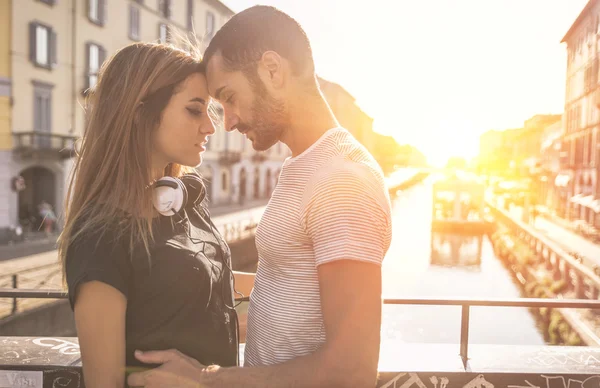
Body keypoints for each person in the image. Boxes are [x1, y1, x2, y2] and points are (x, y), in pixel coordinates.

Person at [128, 5, 393, 388]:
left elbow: (351, 370)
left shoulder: (342, 180)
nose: (229, 121)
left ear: (273, 70)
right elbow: (287, 282)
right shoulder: (307, 164)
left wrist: (205, 380)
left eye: (229, 97)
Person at [58, 41, 254, 388]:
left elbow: (213, 279)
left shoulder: (186, 199)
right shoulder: (99, 239)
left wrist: (308, 292)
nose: (210, 127)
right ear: (139, 114)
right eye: (195, 110)